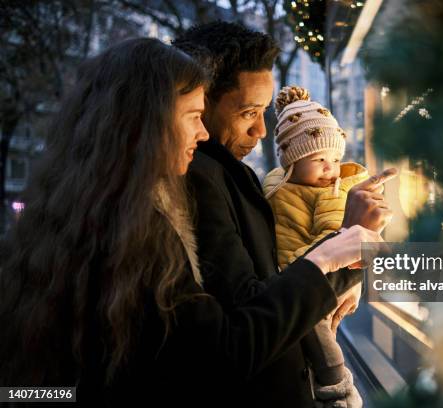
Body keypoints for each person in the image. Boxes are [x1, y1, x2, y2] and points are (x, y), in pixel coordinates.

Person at [0, 38, 380, 406]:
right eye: (194, 117)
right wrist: (328, 258)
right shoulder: (138, 227)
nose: (202, 134)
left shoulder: (98, 209)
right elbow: (219, 353)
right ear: (147, 124)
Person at [173, 22, 395, 407]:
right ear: (201, 102)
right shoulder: (201, 178)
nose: (260, 129)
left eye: (263, 112)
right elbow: (251, 317)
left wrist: (350, 257)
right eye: (248, 113)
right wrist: (347, 238)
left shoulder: (230, 173)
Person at [262, 85, 374, 407]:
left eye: (335, 158)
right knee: (308, 340)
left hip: (318, 277)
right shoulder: (275, 186)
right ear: (291, 161)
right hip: (290, 278)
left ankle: (339, 388)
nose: (330, 168)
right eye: (319, 158)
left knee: (321, 338)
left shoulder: (331, 192)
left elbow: (336, 236)